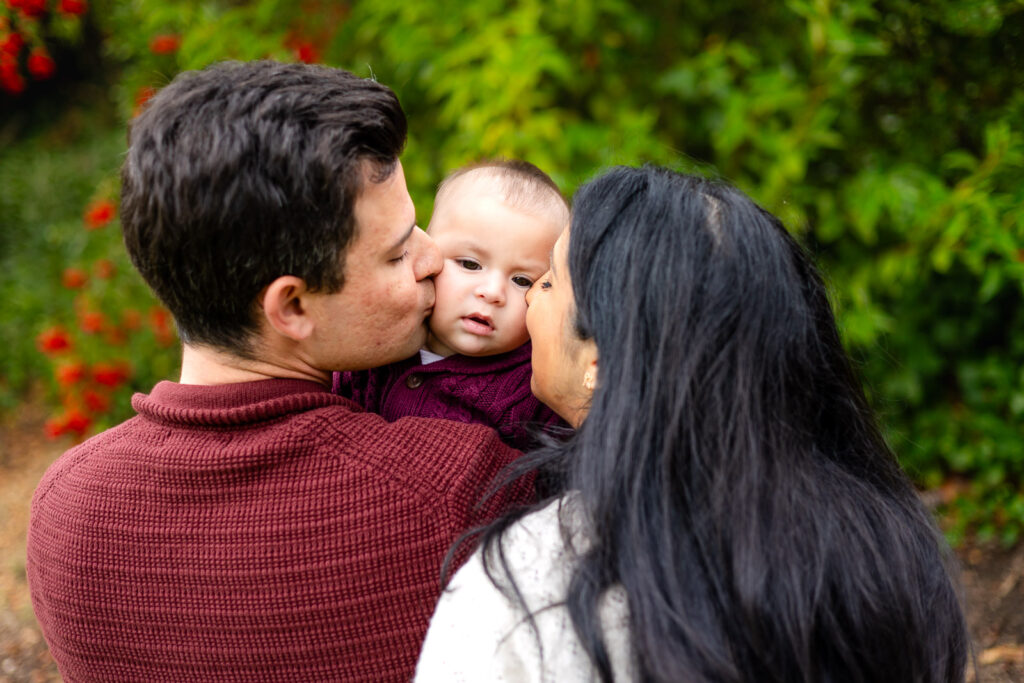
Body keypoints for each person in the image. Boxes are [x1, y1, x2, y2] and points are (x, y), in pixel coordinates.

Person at [25, 61, 534, 683]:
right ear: (292, 306)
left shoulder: (66, 513)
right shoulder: (459, 490)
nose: (434, 259)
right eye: (399, 252)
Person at [415, 165, 970, 682]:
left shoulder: (529, 582)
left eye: (545, 282)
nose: (522, 298)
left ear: (600, 365)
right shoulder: (879, 548)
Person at [335, 159, 568, 450]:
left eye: (522, 281)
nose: (493, 292)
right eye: (470, 264)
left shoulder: (534, 384)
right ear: (427, 254)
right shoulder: (376, 344)